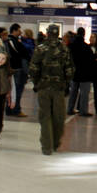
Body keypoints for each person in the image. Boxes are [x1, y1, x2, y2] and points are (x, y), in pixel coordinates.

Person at [29, 24, 74, 155]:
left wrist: (36, 83)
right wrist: (66, 83)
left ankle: (46, 147)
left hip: (43, 87)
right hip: (59, 88)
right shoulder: (64, 49)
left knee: (45, 116)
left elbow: (33, 68)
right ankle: (55, 143)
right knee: (59, 117)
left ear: (47, 33)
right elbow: (69, 69)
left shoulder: (40, 48)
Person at [67, 28, 94, 116]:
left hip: (74, 72)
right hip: (85, 73)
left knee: (73, 92)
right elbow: (91, 61)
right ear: (84, 34)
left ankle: (70, 109)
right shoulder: (86, 47)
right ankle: (83, 111)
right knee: (84, 93)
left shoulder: (71, 46)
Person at [9, 26, 33, 117]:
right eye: (19, 30)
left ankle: (10, 109)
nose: (20, 32)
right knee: (17, 90)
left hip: (13, 68)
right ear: (14, 31)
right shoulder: (15, 42)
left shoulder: (12, 41)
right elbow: (25, 54)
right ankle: (16, 109)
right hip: (19, 68)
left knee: (12, 90)